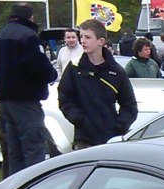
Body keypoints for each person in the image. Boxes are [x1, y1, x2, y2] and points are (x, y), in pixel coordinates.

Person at [0, 3, 57, 175]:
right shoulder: (29, 37)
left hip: (5, 100)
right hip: (25, 101)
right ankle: (33, 188)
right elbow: (39, 66)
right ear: (30, 17)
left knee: (14, 152)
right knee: (33, 150)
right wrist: (52, 74)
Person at [58, 19, 136, 148]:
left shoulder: (116, 71)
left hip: (110, 139)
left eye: (87, 37)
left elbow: (129, 105)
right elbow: (64, 97)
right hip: (84, 138)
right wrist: (78, 119)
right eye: (81, 36)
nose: (83, 40)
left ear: (101, 41)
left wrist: (118, 125)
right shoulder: (75, 67)